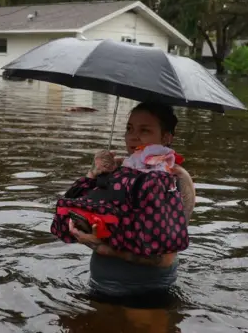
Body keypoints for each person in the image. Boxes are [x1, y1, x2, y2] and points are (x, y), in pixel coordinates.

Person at [51, 102, 195, 298]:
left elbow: (162, 257)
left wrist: (102, 248)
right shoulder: (119, 170)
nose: (133, 137)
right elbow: (70, 208)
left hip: (146, 290)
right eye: (129, 129)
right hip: (100, 282)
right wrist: (94, 174)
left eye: (144, 130)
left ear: (166, 137)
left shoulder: (174, 179)